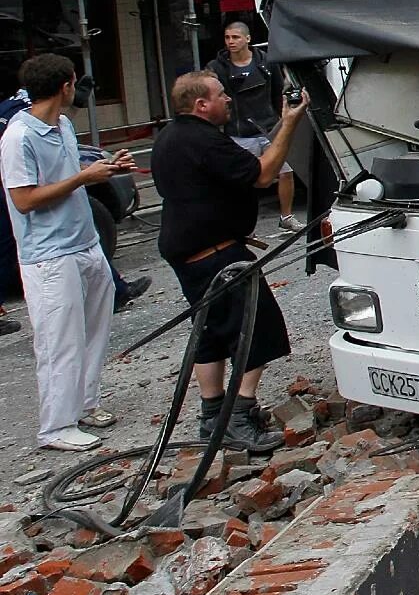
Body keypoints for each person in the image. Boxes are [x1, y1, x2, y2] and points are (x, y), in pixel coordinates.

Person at [150, 70, 307, 453]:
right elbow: (265, 173)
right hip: (215, 256)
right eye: (221, 95)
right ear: (201, 105)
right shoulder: (203, 140)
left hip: (192, 251)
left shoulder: (171, 137)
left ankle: (212, 416)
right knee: (259, 328)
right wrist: (289, 122)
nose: (228, 99)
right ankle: (238, 415)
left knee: (211, 333)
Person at [0, 55, 133, 451]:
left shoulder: (63, 124)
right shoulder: (18, 137)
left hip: (84, 242)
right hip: (48, 254)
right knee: (59, 339)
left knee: (94, 330)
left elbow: (69, 178)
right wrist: (82, 177)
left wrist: (106, 168)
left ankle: (85, 404)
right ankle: (55, 426)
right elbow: (24, 200)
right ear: (66, 86)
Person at [211, 22, 299, 232]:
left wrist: (279, 119)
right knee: (243, 180)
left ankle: (286, 216)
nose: (231, 42)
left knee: (286, 171)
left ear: (247, 39)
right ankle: (239, 221)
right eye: (227, 38)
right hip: (240, 132)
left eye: (235, 37)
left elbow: (278, 91)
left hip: (269, 127)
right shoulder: (218, 67)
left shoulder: (266, 62)